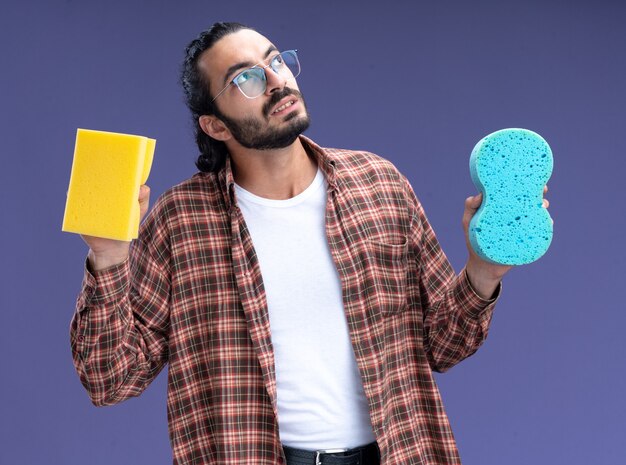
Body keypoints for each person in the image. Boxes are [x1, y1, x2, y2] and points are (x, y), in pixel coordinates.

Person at [70, 22, 548, 465]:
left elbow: (442, 346)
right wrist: (109, 257)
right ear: (214, 125)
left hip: (398, 451)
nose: (276, 81)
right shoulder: (181, 220)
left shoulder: (378, 184)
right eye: (245, 79)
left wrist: (484, 269)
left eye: (276, 61)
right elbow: (111, 379)